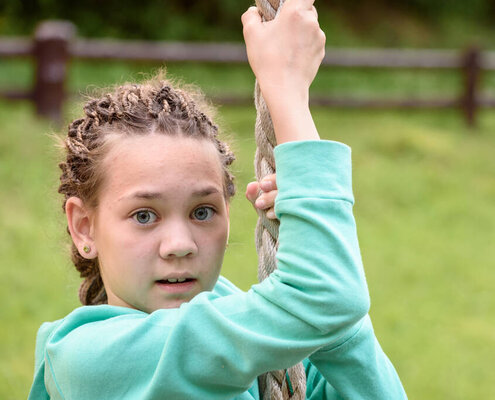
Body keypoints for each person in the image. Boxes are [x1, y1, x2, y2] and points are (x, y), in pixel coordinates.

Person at [28, 0, 407, 398]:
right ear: (84, 227)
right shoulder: (90, 359)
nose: (180, 245)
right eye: (144, 216)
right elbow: (325, 298)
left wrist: (313, 236)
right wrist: (287, 89)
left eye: (202, 211)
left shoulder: (244, 320)